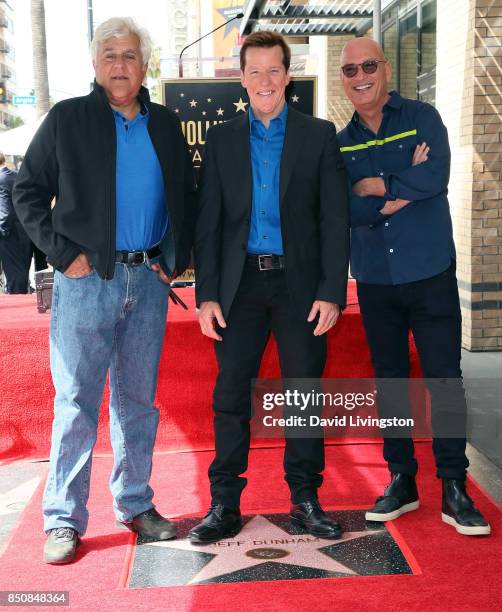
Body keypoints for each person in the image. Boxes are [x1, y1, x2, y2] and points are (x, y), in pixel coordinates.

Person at [13, 17, 196, 564]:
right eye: (110, 54)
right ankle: (64, 519)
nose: (120, 64)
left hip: (148, 281)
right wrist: (63, 255)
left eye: (130, 55)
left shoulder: (165, 124)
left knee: (137, 403)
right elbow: (28, 192)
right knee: (75, 403)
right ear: (97, 65)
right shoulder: (67, 119)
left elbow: (188, 197)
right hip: (86, 283)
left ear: (145, 66)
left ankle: (136, 504)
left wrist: (174, 259)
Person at [191, 31, 349, 544]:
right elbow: (208, 222)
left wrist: (331, 290)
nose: (264, 81)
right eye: (254, 71)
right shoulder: (221, 140)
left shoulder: (318, 134)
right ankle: (223, 503)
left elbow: (334, 220)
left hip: (301, 287)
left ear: (288, 76)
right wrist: (207, 293)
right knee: (231, 395)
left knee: (304, 393)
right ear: (242, 78)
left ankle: (304, 497)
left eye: (274, 70)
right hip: (238, 289)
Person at [337, 37, 490, 536]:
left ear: (385, 69)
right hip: (377, 282)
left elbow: (437, 176)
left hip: (430, 275)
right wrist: (404, 183)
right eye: (349, 69)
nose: (359, 75)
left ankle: (454, 486)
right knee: (392, 384)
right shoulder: (340, 143)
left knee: (445, 379)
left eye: (368, 65)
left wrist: (378, 186)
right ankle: (402, 479)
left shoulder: (423, 117)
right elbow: (345, 208)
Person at [0, 152, 31, 293]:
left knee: (14, 275)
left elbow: (5, 211)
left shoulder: (1, 179)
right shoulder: (14, 175)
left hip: (9, 233)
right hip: (24, 231)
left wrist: (2, 230)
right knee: (21, 272)